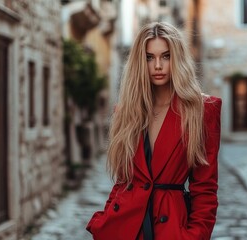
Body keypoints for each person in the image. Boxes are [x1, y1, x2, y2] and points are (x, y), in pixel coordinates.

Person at [86, 22, 221, 240]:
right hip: (126, 229)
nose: (157, 65)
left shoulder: (202, 111)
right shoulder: (126, 111)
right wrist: (105, 220)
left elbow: (205, 188)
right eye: (149, 57)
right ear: (140, 62)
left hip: (171, 230)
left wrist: (194, 236)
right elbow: (123, 181)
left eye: (165, 56)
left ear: (176, 59)